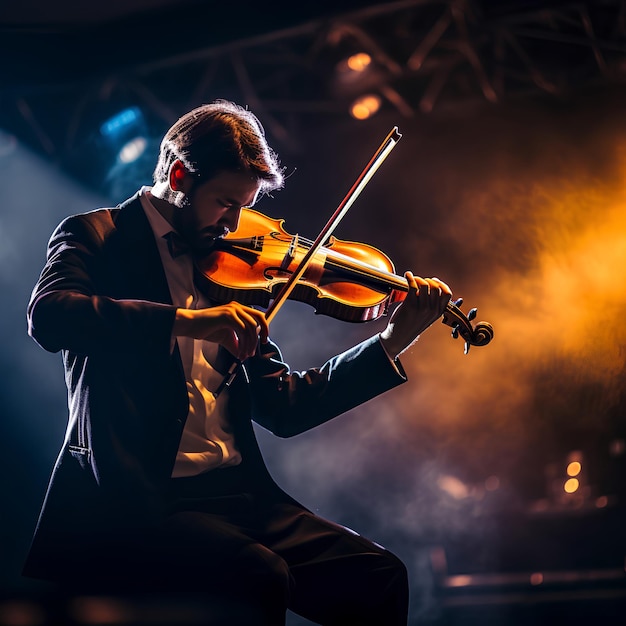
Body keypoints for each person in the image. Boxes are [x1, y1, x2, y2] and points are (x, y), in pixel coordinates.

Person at [24, 100, 451, 625]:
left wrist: (391, 341)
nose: (232, 223)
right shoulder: (97, 236)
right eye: (225, 202)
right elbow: (50, 318)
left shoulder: (235, 265)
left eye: (242, 205)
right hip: (139, 499)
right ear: (179, 174)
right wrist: (187, 321)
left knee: (379, 576)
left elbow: (284, 408)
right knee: (258, 575)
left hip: (236, 493)